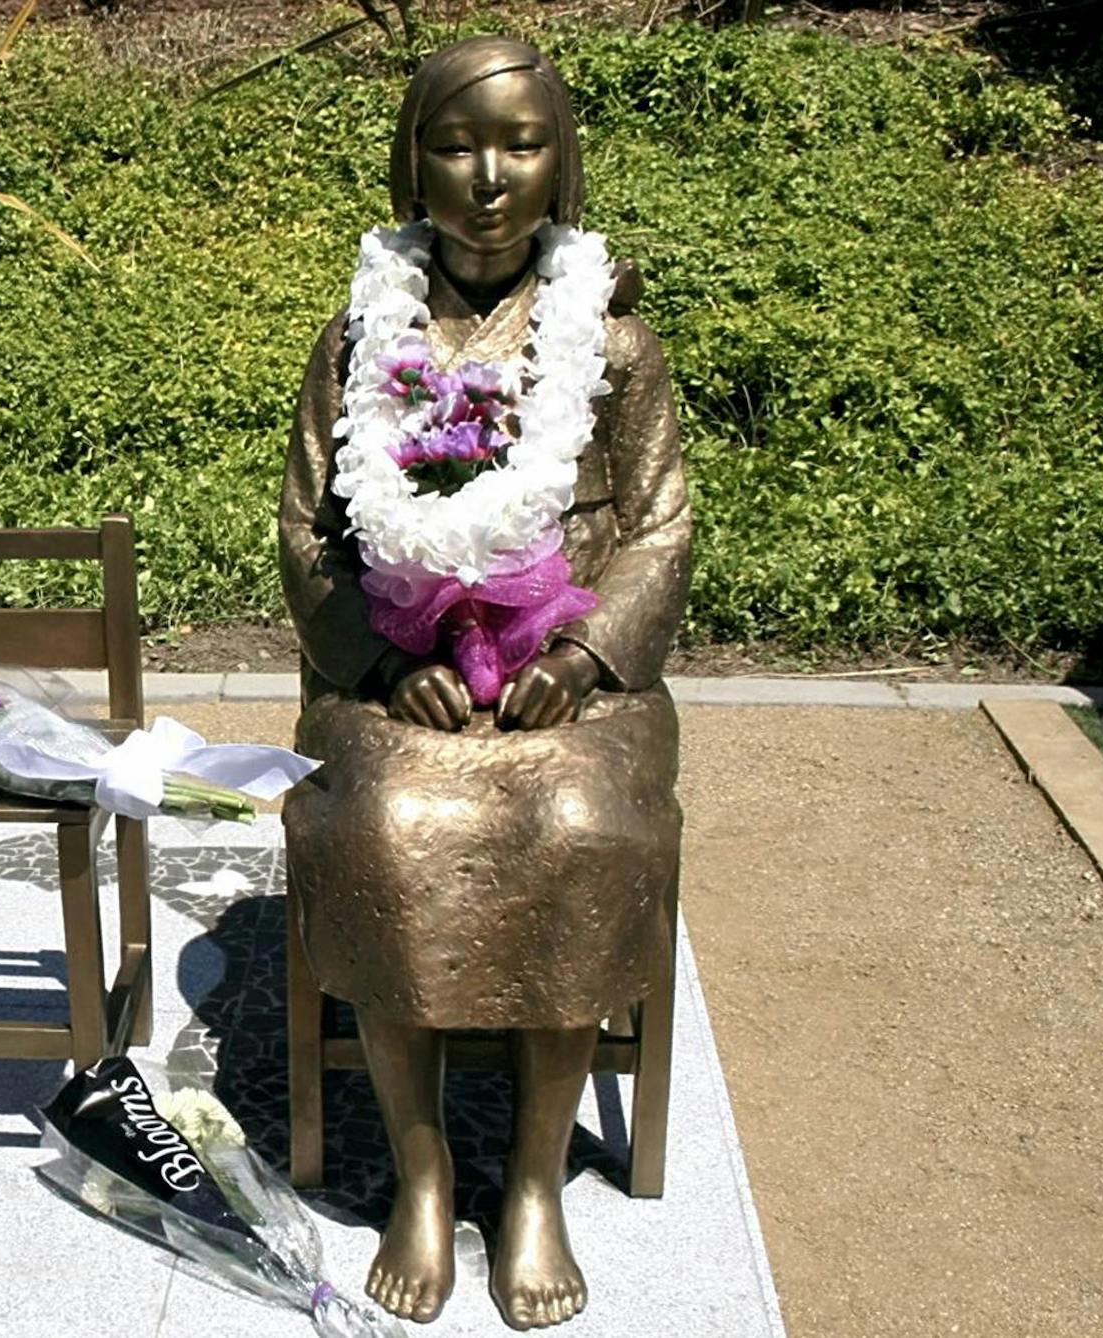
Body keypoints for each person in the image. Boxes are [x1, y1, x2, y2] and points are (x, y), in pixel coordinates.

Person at [278, 35, 692, 1331]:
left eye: (521, 143)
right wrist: (389, 661)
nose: (492, 176)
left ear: (564, 162)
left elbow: (663, 527)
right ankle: (420, 1167)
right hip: (397, 682)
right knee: (395, 830)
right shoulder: (362, 334)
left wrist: (580, 656)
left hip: (577, 686)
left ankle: (531, 1178)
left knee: (575, 827)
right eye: (458, 145)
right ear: (414, 164)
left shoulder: (614, 340)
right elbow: (305, 531)